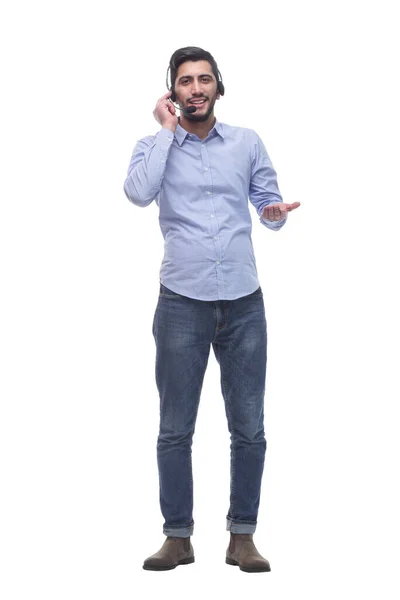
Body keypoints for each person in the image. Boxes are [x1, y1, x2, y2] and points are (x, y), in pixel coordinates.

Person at [123, 46, 300, 573]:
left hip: (244, 304)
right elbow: (137, 193)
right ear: (171, 93)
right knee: (175, 428)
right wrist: (164, 131)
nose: (195, 88)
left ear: (218, 87)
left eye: (204, 79)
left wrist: (272, 213)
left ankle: (241, 536)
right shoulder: (154, 146)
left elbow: (270, 206)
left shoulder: (247, 143)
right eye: (184, 81)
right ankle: (177, 537)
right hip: (181, 303)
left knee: (249, 426)